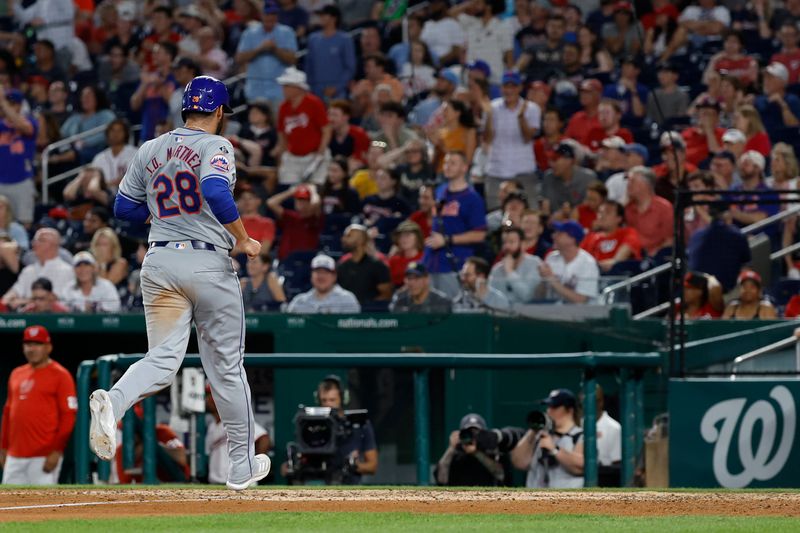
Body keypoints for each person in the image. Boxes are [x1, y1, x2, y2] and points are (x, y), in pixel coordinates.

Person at [90, 76, 271, 491]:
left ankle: (114, 403)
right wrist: (243, 238)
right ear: (220, 112)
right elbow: (214, 189)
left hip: (159, 260)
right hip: (208, 261)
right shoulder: (216, 145)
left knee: (162, 360)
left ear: (185, 108)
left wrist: (160, 216)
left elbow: (122, 208)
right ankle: (241, 466)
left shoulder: (150, 148)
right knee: (225, 368)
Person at [0, 326, 77, 485]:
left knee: (42, 507)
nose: (31, 349)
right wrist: (3, 447)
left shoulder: (61, 375)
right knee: (8, 507)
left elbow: (68, 417)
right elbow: (7, 413)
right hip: (15, 456)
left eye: (37, 344)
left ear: (48, 347)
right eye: (28, 344)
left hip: (44, 456)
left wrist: (57, 451)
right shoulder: (16, 373)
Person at [424, 152, 487, 299]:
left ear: (464, 168)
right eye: (446, 163)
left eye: (453, 163)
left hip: (455, 264)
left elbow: (480, 234)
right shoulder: (440, 191)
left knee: (452, 309)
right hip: (432, 263)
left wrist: (447, 240)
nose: (447, 166)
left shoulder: (473, 198)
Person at [484, 72, 540, 209]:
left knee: (530, 211)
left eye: (513, 86)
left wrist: (521, 118)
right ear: (501, 88)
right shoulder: (492, 107)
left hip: (523, 170)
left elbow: (527, 138)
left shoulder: (531, 108)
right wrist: (489, 117)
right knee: (494, 213)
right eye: (506, 86)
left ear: (519, 88)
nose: (509, 90)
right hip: (496, 170)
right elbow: (487, 139)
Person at [511, 388, 584, 488]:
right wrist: (533, 430)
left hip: (565, 500)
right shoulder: (539, 435)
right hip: (534, 500)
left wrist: (554, 450)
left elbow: (579, 468)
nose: (549, 411)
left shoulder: (579, 435)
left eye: (554, 407)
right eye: (548, 406)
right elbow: (519, 463)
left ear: (569, 410)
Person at [274, 67, 332, 187]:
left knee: (314, 189)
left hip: (314, 155)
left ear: (297, 87)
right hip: (293, 157)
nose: (283, 90)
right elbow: (282, 135)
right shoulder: (283, 107)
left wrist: (320, 153)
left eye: (286, 86)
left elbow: (326, 130)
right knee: (288, 190)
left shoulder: (314, 103)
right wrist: (282, 157)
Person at [235, 0, 298, 108]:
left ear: (277, 15)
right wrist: (259, 49)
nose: (270, 17)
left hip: (279, 91)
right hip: (256, 90)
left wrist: (275, 49)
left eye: (273, 14)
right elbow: (239, 58)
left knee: (279, 124)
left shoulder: (287, 32)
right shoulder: (250, 33)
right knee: (257, 123)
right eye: (267, 14)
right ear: (261, 14)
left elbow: (293, 59)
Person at [206, 384, 271, 485]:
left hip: (240, 481)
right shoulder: (211, 426)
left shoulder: (234, 421)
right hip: (216, 482)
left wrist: (252, 464)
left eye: (212, 395)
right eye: (208, 395)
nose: (209, 399)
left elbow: (264, 438)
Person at [1, 228, 74, 309]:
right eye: (34, 240)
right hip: (27, 318)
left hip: (53, 318)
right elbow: (13, 293)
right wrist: (7, 300)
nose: (34, 243)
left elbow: (52, 299)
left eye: (40, 240)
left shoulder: (66, 270)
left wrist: (22, 301)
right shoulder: (28, 270)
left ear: (54, 245)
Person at [687, 205, 751, 293]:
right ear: (727, 217)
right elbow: (746, 261)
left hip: (697, 290)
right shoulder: (735, 234)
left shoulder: (696, 234)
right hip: (724, 291)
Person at [0, 88, 38, 227]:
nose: (9, 108)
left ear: (20, 105)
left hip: (21, 180)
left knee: (24, 222)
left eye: (13, 104)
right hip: (1, 181)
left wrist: (3, 102)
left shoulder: (30, 121)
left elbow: (25, 128)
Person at [436, 413, 506, 486]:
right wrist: (451, 448)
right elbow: (441, 479)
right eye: (469, 433)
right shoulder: (455, 454)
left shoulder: (490, 452)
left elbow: (500, 475)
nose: (472, 437)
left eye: (476, 433)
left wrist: (477, 453)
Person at [538, 221, 599, 304]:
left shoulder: (587, 263)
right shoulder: (551, 258)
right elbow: (539, 296)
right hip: (553, 311)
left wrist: (552, 279)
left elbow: (581, 300)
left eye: (559, 233)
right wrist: (543, 280)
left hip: (581, 315)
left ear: (572, 239)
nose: (553, 236)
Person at [305, 5, 356, 101]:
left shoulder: (345, 39)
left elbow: (350, 67)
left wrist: (337, 87)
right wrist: (310, 87)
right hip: (315, 92)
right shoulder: (313, 39)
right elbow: (309, 66)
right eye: (320, 15)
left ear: (334, 18)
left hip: (338, 93)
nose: (321, 18)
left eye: (324, 15)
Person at [625, 166, 674, 258]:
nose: (628, 185)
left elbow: (670, 240)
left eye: (632, 181)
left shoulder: (664, 208)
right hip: (633, 257)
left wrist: (655, 254)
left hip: (657, 258)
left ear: (645, 184)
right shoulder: (628, 208)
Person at [287, 254, 361, 314]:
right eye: (318, 272)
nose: (321, 276)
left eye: (326, 272)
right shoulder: (299, 302)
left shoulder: (347, 300)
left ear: (334, 276)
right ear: (311, 276)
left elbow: (353, 330)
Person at [337, 224, 392, 305]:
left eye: (348, 236)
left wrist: (366, 307)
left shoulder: (378, 266)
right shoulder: (341, 266)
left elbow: (386, 295)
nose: (343, 239)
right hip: (345, 313)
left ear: (361, 240)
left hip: (369, 314)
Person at [541, 143, 598, 221]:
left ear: (569, 161)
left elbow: (593, 206)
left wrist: (571, 213)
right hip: (556, 223)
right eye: (551, 160)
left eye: (555, 159)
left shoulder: (588, 178)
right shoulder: (548, 177)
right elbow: (546, 209)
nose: (551, 164)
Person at [581, 201, 642, 272]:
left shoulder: (628, 232)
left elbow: (617, 261)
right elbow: (580, 261)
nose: (602, 216)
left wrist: (596, 267)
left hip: (619, 277)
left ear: (619, 218)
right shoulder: (590, 237)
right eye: (600, 212)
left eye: (607, 212)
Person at [267, 184, 324, 260]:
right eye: (298, 199)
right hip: (285, 259)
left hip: (305, 261)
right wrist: (291, 192)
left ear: (309, 202)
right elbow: (271, 202)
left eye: (304, 200)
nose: (300, 202)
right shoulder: (290, 216)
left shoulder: (314, 218)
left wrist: (312, 191)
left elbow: (316, 203)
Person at [488, 226, 542, 305]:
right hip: (501, 313)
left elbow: (527, 296)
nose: (507, 246)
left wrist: (510, 272)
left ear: (523, 244)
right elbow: (492, 298)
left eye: (511, 242)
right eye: (504, 242)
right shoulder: (497, 269)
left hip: (528, 313)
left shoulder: (535, 264)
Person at [753, 62, 800, 140]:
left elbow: (795, 127)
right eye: (765, 77)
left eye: (770, 78)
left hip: (786, 143)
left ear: (783, 82)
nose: (766, 81)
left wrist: (782, 105)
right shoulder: (759, 100)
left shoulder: (792, 100)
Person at [90, 119, 137, 192]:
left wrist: (107, 184)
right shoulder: (99, 157)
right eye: (112, 130)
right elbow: (92, 179)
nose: (116, 134)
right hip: (103, 195)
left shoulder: (135, 153)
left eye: (119, 131)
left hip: (128, 194)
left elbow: (135, 178)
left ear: (125, 133)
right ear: (107, 133)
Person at [327, 100, 370, 171]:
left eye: (335, 115)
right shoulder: (328, 134)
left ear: (346, 117)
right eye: (329, 114)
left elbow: (361, 159)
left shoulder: (359, 134)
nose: (330, 119)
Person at [388, 220, 424, 288]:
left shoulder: (425, 258)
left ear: (417, 237)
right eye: (400, 236)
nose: (403, 239)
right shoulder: (393, 260)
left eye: (407, 235)